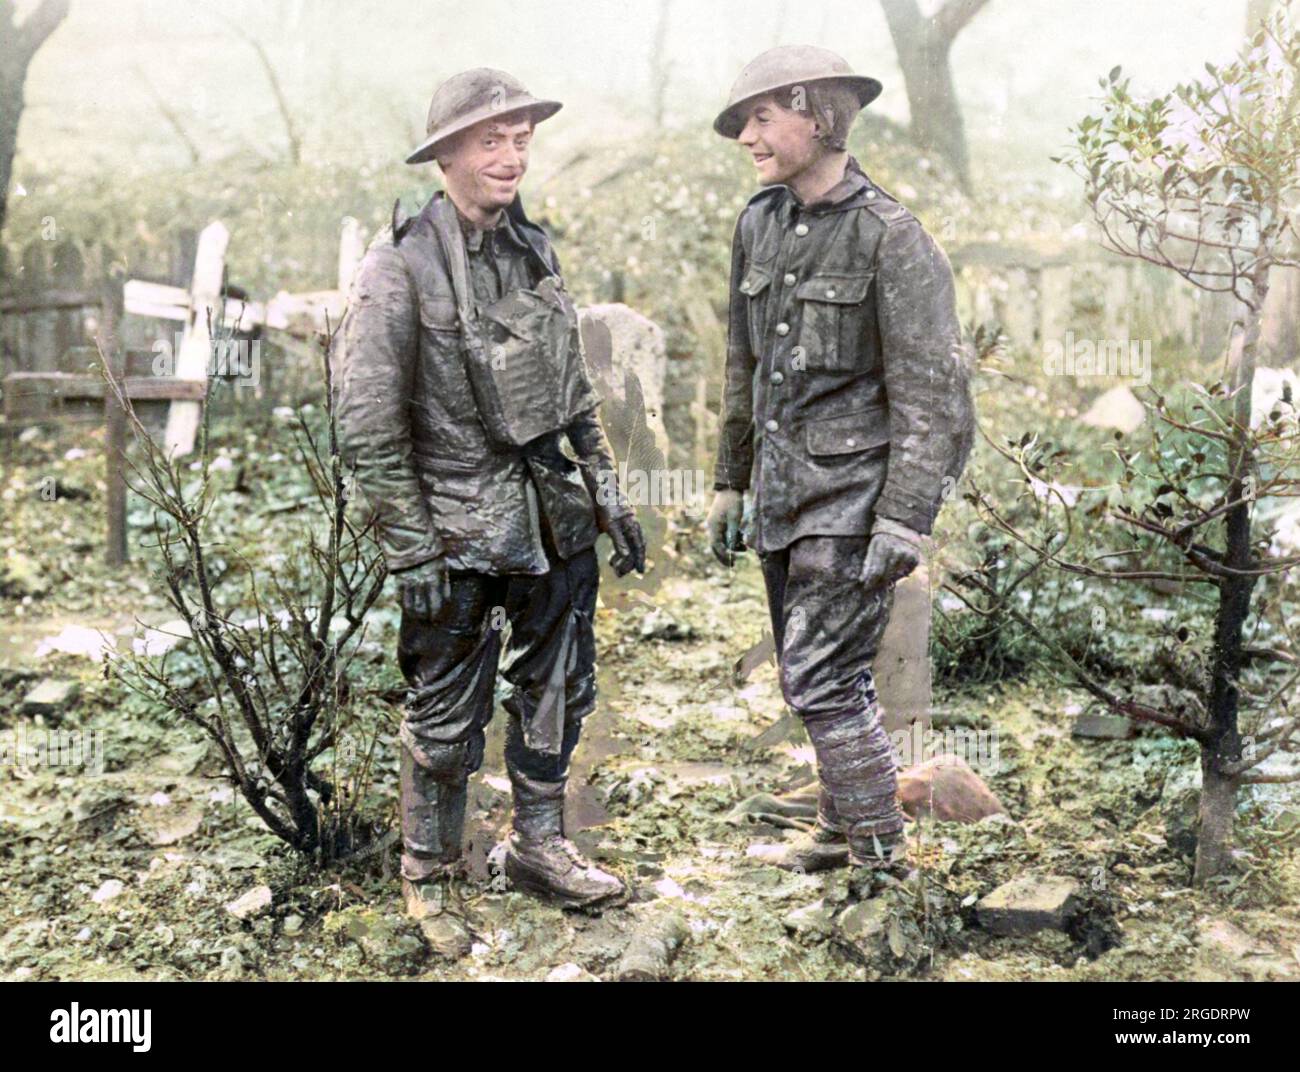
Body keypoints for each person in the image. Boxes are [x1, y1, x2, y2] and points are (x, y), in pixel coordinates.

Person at [336, 68, 645, 957]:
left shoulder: (532, 250)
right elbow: (366, 423)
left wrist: (608, 493)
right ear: (445, 156)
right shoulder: (398, 269)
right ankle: (428, 875)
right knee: (443, 714)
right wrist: (409, 548)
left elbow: (573, 387)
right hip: (453, 533)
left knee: (558, 689)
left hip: (552, 521)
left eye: (520, 139)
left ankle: (541, 846)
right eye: (489, 141)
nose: (510, 158)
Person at [706, 46, 974, 890]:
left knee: (820, 676)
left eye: (761, 118)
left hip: (855, 503)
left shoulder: (893, 239)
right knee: (818, 673)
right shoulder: (758, 223)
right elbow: (741, 366)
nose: (747, 136)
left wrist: (904, 517)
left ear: (815, 115)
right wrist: (727, 480)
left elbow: (934, 399)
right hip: (783, 496)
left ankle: (880, 860)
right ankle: (836, 819)